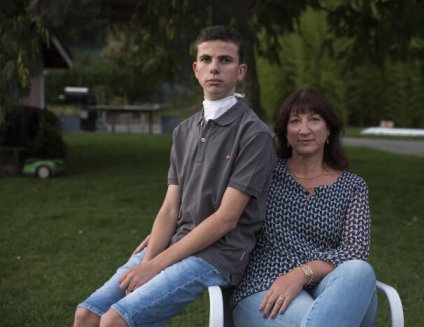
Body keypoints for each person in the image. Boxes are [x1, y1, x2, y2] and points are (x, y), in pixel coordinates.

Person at [73, 25, 276, 327]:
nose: (214, 68)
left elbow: (226, 219)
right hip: (177, 243)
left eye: (225, 60)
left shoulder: (254, 134)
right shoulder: (184, 131)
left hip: (219, 254)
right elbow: (170, 208)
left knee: (115, 320)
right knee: (88, 315)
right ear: (196, 69)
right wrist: (149, 262)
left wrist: (153, 267)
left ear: (241, 70)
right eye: (206, 60)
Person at [230, 89, 377, 327]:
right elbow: (220, 208)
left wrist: (300, 274)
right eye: (295, 121)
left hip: (328, 286)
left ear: (329, 130)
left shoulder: (352, 186)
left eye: (314, 119)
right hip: (265, 286)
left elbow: (355, 250)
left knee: (359, 271)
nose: (304, 129)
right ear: (285, 133)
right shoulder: (264, 173)